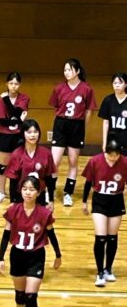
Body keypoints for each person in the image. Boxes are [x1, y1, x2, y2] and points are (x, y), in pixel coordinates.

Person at [0, 175, 62, 307]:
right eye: (25, 189)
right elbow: (6, 235)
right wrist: (1, 258)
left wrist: (58, 255)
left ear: (38, 192)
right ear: (20, 191)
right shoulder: (14, 210)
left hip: (36, 256)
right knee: (20, 295)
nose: (27, 192)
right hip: (17, 256)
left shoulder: (44, 213)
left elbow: (52, 234)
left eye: (32, 189)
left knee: (31, 296)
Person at [49, 58, 97, 207]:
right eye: (65, 70)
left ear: (77, 71)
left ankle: (68, 193)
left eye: (69, 69)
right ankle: (50, 191)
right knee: (54, 161)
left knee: (73, 161)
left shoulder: (86, 89)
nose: (66, 72)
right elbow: (56, 108)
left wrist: (82, 126)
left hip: (77, 126)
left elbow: (89, 110)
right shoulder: (59, 88)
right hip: (61, 125)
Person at [81, 139, 127, 287]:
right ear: (105, 152)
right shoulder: (95, 161)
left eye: (116, 156)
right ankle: (100, 272)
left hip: (116, 201)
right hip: (99, 200)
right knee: (101, 238)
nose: (113, 158)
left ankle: (108, 269)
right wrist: (84, 202)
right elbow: (88, 182)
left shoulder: (124, 162)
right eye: (110, 155)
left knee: (112, 237)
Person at [0, 72, 30, 204]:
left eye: (16, 84)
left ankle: (18, 193)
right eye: (11, 83)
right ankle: (1, 192)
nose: (14, 86)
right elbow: (3, 121)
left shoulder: (24, 98)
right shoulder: (0, 100)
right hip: (5, 136)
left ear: (20, 85)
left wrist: (6, 100)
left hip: (18, 136)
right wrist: (17, 121)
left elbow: (15, 113)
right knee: (3, 166)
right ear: (7, 84)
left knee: (19, 166)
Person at [5, 119, 56, 210]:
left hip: (39, 195)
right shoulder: (17, 154)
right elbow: (13, 181)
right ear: (23, 134)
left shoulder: (46, 153)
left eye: (35, 132)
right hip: (21, 196)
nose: (33, 135)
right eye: (29, 132)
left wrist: (51, 200)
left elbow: (49, 178)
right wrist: (13, 201)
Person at [98, 73, 127, 155]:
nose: (117, 85)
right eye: (115, 83)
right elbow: (106, 122)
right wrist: (104, 142)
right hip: (112, 139)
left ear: (125, 84)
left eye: (120, 83)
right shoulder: (108, 100)